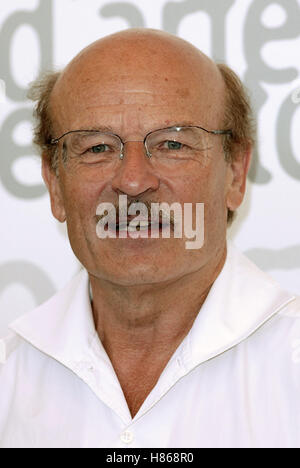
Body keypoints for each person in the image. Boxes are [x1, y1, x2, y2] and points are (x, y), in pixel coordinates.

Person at [0, 28, 299, 449]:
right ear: (54, 183)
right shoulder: (8, 375)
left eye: (172, 143)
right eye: (98, 148)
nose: (134, 181)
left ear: (235, 173)